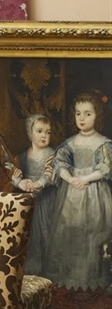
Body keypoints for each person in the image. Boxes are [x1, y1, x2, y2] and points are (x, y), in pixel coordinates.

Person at [46, 91, 112, 290]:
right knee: (70, 229)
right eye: (78, 113)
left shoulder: (103, 143)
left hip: (95, 193)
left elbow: (106, 167)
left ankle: (92, 277)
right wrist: (71, 179)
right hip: (71, 195)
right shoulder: (69, 143)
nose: (81, 118)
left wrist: (86, 178)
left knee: (94, 230)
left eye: (88, 114)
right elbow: (59, 164)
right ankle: (71, 276)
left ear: (97, 115)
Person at [17, 114, 56, 275]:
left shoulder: (51, 154)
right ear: (29, 133)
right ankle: (31, 270)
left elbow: (49, 174)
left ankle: (48, 271)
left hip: (46, 201)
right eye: (39, 131)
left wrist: (38, 184)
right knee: (30, 233)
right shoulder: (23, 155)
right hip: (29, 199)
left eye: (48, 132)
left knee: (47, 233)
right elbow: (15, 171)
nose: (44, 135)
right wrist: (19, 179)